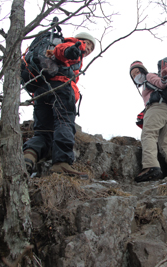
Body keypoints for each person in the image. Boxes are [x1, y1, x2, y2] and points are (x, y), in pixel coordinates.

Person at [23, 32, 96, 177]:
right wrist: (70, 51)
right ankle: (61, 163)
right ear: (82, 40)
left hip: (41, 91)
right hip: (61, 89)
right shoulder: (75, 45)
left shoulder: (58, 47)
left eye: (91, 48)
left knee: (43, 131)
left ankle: (29, 157)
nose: (88, 49)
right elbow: (60, 51)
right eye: (88, 44)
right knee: (64, 123)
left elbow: (55, 53)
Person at [129, 60, 167, 182]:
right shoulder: (147, 82)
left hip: (157, 108)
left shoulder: (149, 76)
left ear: (143, 70)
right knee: (166, 143)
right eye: (133, 75)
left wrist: (164, 77)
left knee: (148, 135)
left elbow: (161, 83)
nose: (136, 76)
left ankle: (151, 167)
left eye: (137, 72)